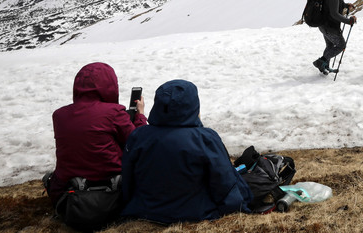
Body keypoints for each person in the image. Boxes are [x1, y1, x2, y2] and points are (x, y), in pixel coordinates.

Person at [121, 80, 253, 224]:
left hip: (144, 211)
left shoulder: (139, 136)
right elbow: (225, 184)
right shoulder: (205, 138)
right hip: (195, 213)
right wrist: (242, 205)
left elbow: (128, 179)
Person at [45, 62, 147, 206]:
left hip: (67, 193)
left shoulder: (59, 115)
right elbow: (139, 142)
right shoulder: (114, 112)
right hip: (111, 191)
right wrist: (140, 115)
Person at [312, 0, 357, 75]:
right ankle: (321, 61)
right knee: (341, 45)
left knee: (330, 46)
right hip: (330, 27)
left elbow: (332, 6)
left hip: (323, 25)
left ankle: (324, 67)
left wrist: (345, 5)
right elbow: (334, 14)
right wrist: (348, 21)